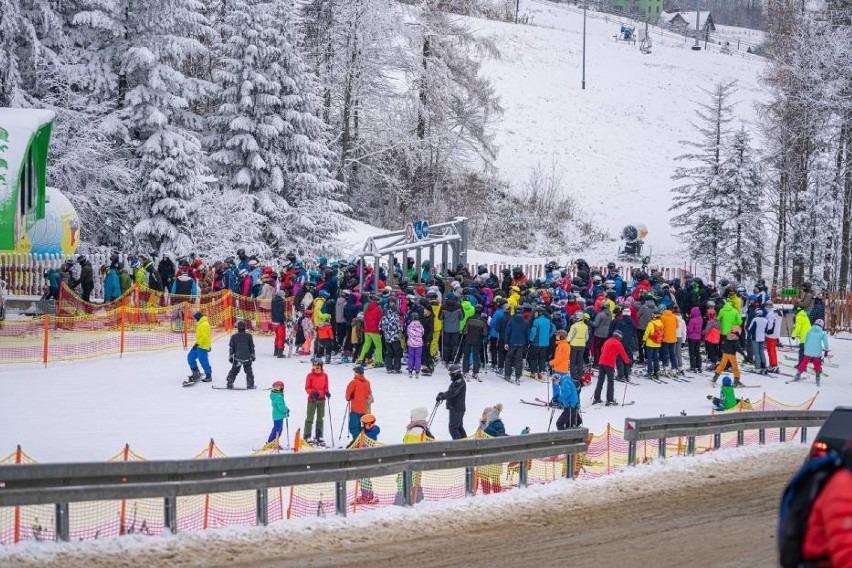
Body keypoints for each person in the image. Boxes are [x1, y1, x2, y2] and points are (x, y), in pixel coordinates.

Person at [593, 330, 631, 406]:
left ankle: (596, 398)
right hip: (609, 364)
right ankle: (610, 399)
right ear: (619, 337)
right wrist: (628, 361)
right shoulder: (618, 343)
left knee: (600, 381)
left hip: (601, 362)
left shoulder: (608, 340)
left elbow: (602, 349)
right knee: (610, 382)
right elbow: (623, 354)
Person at [794, 319, 830, 386]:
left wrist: (806, 347)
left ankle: (798, 374)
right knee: (817, 364)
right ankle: (817, 377)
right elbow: (825, 343)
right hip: (817, 351)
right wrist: (826, 350)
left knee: (804, 362)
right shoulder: (822, 333)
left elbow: (806, 340)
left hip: (808, 350)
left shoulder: (809, 331)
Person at [436, 364, 467, 439]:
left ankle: (459, 446)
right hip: (455, 408)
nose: (450, 375)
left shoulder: (460, 382)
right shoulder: (456, 381)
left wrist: (443, 396)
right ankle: (465, 443)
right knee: (458, 427)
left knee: (453, 428)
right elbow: (451, 392)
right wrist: (443, 394)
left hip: (457, 408)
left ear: (456, 373)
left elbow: (452, 393)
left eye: (451, 373)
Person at [304, 358, 330, 444]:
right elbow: (307, 388)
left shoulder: (325, 375)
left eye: (318, 366)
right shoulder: (310, 375)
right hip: (312, 400)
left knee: (320, 418)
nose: (316, 368)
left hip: (322, 400)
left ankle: (319, 435)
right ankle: (307, 436)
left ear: (321, 366)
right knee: (309, 418)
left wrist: (326, 392)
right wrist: (312, 393)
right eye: (314, 366)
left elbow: (326, 386)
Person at [225, 320, 255, 389]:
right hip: (247, 357)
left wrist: (230, 356)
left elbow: (231, 348)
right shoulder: (249, 336)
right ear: (245, 327)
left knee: (234, 371)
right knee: (249, 372)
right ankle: (250, 385)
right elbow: (251, 347)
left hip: (237, 357)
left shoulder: (234, 336)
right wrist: (253, 355)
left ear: (237, 327)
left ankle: (230, 382)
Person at [345, 365, 373, 440]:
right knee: (363, 425)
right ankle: (362, 440)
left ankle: (356, 440)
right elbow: (369, 393)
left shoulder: (354, 382)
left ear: (357, 373)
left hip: (355, 409)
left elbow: (348, 393)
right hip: (364, 409)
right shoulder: (367, 382)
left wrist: (348, 398)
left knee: (354, 426)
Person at [503, 307, 529, 385]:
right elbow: (527, 334)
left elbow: (507, 332)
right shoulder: (525, 322)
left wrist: (506, 342)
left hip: (512, 343)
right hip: (521, 343)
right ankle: (518, 376)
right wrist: (527, 344)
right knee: (519, 360)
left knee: (508, 358)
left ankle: (508, 375)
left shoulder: (511, 321)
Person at [461, 307, 488, 380]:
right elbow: (485, 333)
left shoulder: (470, 318)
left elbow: (465, 330)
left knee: (466, 355)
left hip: (468, 339)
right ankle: (475, 372)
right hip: (477, 341)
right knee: (476, 356)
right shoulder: (483, 321)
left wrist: (464, 332)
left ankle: (465, 371)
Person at [185, 311, 212, 384]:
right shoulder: (200, 323)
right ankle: (196, 372)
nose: (195, 320)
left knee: (203, 361)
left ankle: (208, 375)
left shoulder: (204, 324)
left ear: (198, 317)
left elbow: (205, 337)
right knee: (190, 357)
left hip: (202, 346)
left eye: (195, 318)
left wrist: (198, 344)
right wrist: (196, 344)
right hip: (198, 344)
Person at [528, 308, 555, 381]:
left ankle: (534, 372)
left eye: (535, 313)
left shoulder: (536, 321)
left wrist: (530, 340)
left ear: (539, 313)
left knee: (533, 358)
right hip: (545, 343)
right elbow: (553, 329)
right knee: (542, 358)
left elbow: (533, 332)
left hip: (536, 343)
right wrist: (548, 336)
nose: (534, 314)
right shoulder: (548, 321)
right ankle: (541, 372)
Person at [357, 296, 383, 368]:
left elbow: (365, 318)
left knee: (366, 345)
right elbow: (379, 320)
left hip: (367, 330)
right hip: (374, 330)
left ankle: (360, 358)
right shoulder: (378, 309)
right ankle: (378, 361)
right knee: (378, 346)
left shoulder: (367, 309)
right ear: (377, 302)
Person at [380, 302, 403, 374]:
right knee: (397, 353)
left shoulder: (383, 318)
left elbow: (380, 327)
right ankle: (396, 368)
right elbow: (399, 328)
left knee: (388, 353)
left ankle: (389, 368)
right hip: (395, 338)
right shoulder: (395, 318)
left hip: (387, 338)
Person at [549, 329, 570, 402]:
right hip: (563, 368)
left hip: (559, 369)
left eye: (557, 335)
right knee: (562, 385)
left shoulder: (561, 346)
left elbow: (558, 359)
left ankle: (556, 400)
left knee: (555, 385)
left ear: (561, 337)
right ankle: (563, 399)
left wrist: (550, 363)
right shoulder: (565, 344)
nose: (556, 336)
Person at [643, 310, 665, 379]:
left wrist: (644, 339)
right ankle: (656, 372)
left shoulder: (651, 324)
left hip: (650, 343)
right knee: (656, 358)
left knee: (649, 358)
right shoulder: (661, 324)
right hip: (658, 344)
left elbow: (647, 333)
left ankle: (650, 372)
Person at [267, 381, 289, 449]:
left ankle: (272, 442)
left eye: (279, 388)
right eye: (276, 387)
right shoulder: (278, 396)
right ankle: (272, 443)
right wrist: (286, 410)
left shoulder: (274, 395)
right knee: (278, 430)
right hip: (278, 416)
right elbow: (281, 407)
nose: (277, 389)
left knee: (277, 429)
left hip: (277, 415)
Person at [567, 312, 588, 381]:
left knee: (573, 360)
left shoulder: (574, 326)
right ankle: (580, 374)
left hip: (574, 344)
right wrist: (583, 341)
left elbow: (570, 336)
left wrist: (568, 340)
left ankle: (573, 375)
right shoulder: (585, 326)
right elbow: (587, 337)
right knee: (580, 360)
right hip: (582, 345)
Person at [748, 308, 769, 374]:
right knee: (761, 352)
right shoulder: (766, 320)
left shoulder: (755, 319)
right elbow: (766, 330)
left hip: (755, 338)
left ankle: (758, 366)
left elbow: (750, 329)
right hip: (762, 338)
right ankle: (764, 365)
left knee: (756, 353)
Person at [406, 312, 425, 379]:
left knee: (411, 357)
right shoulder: (420, 326)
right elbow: (422, 333)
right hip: (418, 344)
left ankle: (410, 369)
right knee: (418, 357)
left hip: (411, 343)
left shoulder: (410, 325)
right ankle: (417, 370)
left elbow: (408, 333)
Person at [686, 306, 704, 373]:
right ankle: (699, 366)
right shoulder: (701, 319)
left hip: (692, 337)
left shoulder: (692, 320)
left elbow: (690, 330)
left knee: (692, 353)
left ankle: (692, 366)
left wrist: (687, 326)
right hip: (698, 337)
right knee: (697, 352)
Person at [271, 290, 287, 358]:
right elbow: (280, 313)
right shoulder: (281, 302)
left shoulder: (273, 301)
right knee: (281, 337)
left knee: (277, 336)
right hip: (279, 322)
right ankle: (280, 352)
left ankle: (276, 351)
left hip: (274, 321)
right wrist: (284, 319)